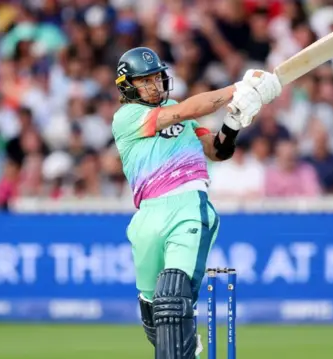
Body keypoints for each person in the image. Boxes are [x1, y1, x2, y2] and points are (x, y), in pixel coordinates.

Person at [111, 47, 281, 359]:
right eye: (144, 81)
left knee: (173, 297)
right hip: (147, 214)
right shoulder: (127, 117)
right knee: (153, 308)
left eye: (156, 78)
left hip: (189, 206)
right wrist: (237, 89)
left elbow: (217, 152)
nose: (154, 86)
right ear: (128, 86)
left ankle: (180, 335)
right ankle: (183, 340)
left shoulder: (179, 110)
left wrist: (233, 122)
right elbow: (183, 112)